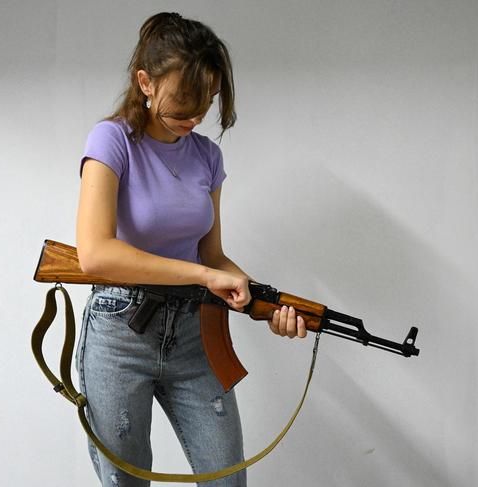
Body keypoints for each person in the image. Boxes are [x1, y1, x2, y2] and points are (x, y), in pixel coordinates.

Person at [74, 12, 307, 487]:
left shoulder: (207, 156)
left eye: (206, 104)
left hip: (194, 334)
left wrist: (267, 302)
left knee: (226, 479)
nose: (195, 118)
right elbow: (94, 255)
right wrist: (203, 277)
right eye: (183, 104)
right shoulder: (112, 141)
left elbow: (214, 256)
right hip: (121, 334)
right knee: (125, 481)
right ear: (146, 81)